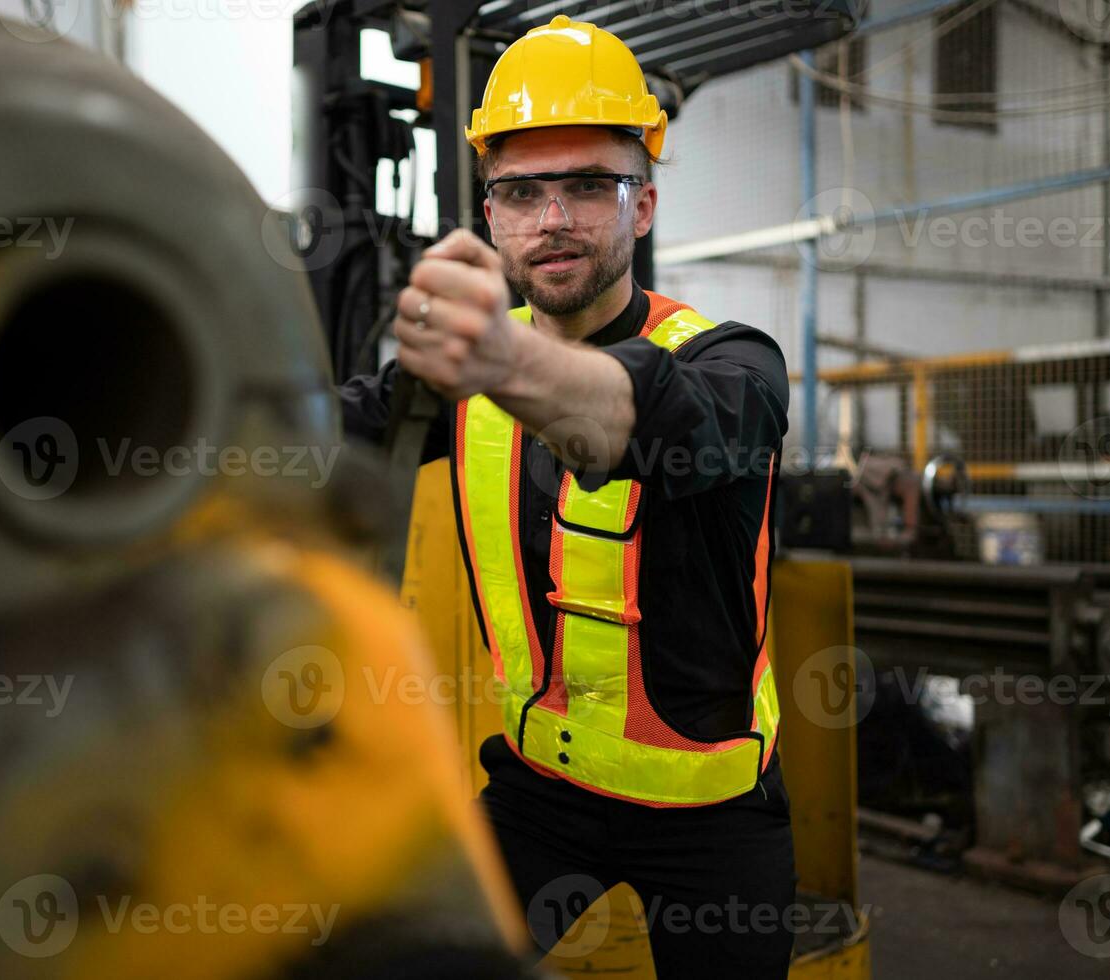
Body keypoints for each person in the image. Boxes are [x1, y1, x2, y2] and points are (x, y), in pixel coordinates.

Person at [338, 15, 796, 979]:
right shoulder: (461, 373)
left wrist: (498, 355)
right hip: (538, 792)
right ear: (492, 214)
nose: (554, 219)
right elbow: (307, 432)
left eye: (589, 186)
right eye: (522, 192)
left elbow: (634, 416)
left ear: (642, 207)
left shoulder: (734, 362)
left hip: (713, 818)